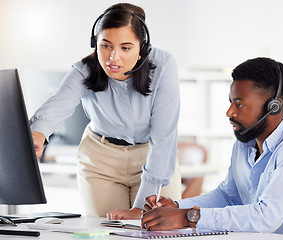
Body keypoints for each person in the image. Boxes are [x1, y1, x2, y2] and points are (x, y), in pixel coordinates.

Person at [141, 57, 283, 238]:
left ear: (274, 107)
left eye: (239, 104)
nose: (229, 112)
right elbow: (228, 196)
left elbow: (266, 217)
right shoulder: (245, 142)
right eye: (230, 102)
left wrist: (189, 217)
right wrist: (177, 206)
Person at [30, 3, 181, 219]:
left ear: (143, 48)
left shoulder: (163, 66)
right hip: (101, 160)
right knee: (106, 231)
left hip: (153, 154)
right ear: (96, 44)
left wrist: (141, 209)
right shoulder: (85, 69)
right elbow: (57, 104)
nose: (113, 58)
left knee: (156, 227)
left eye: (125, 48)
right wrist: (37, 134)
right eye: (106, 45)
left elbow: (164, 138)